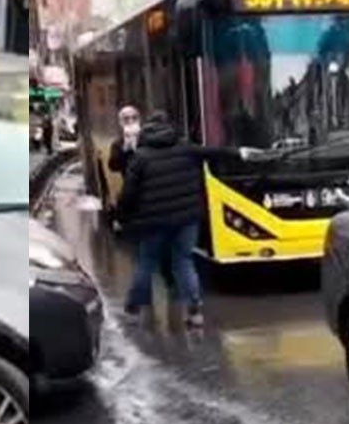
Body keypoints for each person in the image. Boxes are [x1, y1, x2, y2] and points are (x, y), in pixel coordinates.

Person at [116, 111, 256, 327]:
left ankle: (134, 308)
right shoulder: (185, 148)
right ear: (169, 128)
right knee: (183, 261)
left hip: (154, 222)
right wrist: (240, 152)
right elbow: (214, 152)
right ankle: (194, 311)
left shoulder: (141, 157)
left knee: (147, 262)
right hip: (186, 219)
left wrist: (122, 217)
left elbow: (128, 194)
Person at [107, 105, 142, 175]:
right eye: (126, 119)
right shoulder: (117, 145)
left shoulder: (149, 138)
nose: (130, 121)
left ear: (139, 120)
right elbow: (113, 167)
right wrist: (124, 150)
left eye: (134, 118)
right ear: (121, 123)